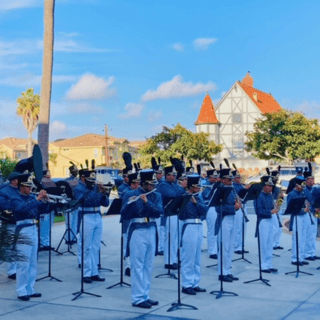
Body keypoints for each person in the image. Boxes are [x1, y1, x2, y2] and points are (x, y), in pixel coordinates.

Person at [121, 170, 163, 309]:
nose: (152, 187)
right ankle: (137, 298)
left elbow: (158, 212)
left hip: (151, 227)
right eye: (150, 184)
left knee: (148, 264)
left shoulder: (156, 195)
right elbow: (123, 214)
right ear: (144, 184)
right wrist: (129, 204)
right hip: (137, 228)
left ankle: (145, 295)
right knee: (137, 265)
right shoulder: (130, 194)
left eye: (153, 184)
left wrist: (146, 202)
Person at [9, 173, 51, 301]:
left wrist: (46, 200)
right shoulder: (15, 198)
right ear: (21, 186)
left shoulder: (32, 197)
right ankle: (21, 290)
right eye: (28, 187)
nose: (31, 189)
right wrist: (37, 199)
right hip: (23, 230)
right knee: (24, 263)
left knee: (33, 262)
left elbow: (44, 210)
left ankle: (30, 288)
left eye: (31, 186)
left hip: (33, 229)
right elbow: (22, 209)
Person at [74, 170, 109, 283]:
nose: (93, 183)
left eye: (94, 181)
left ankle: (94, 272)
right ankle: (86, 273)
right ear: (84, 178)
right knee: (87, 247)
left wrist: (104, 193)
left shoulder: (95, 188)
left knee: (96, 246)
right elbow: (86, 200)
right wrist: (98, 192)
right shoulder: (79, 188)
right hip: (86, 216)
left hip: (97, 215)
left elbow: (106, 203)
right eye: (90, 181)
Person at [180, 175, 207, 295]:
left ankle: (195, 283)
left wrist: (196, 203)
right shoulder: (184, 197)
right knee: (188, 257)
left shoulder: (198, 198)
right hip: (189, 225)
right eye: (196, 186)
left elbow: (204, 211)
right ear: (191, 187)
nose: (198, 189)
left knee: (197, 256)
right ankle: (186, 284)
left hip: (199, 225)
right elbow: (182, 213)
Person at [215, 168, 241, 282]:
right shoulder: (219, 189)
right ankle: (222, 272)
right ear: (222, 179)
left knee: (230, 247)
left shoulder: (232, 189)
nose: (230, 181)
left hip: (232, 218)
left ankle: (227, 270)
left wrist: (238, 204)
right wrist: (233, 207)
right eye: (228, 179)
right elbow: (218, 208)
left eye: (231, 179)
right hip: (224, 219)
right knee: (224, 247)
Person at [157, 166, 185, 270]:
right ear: (167, 175)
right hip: (168, 214)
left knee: (175, 239)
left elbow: (178, 192)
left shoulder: (173, 184)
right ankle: (168, 261)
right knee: (170, 238)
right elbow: (173, 194)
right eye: (173, 175)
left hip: (175, 213)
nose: (175, 177)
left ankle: (173, 259)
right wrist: (181, 187)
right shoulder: (163, 185)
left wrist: (180, 187)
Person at [255, 176, 278, 273]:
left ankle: (269, 263)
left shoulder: (270, 195)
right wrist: (270, 211)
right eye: (268, 186)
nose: (270, 188)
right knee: (264, 244)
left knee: (269, 244)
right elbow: (258, 211)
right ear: (264, 186)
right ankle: (263, 265)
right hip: (263, 221)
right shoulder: (258, 196)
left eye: (271, 186)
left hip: (270, 220)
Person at [0, 172, 21, 280]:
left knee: (19, 246)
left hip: (20, 221)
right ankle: (12, 271)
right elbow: (3, 205)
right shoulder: (4, 190)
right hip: (9, 221)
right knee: (11, 246)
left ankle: (18, 268)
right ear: (13, 180)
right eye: (18, 179)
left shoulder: (20, 189)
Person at [120, 172, 140, 277]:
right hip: (128, 221)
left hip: (135, 221)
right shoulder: (128, 193)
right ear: (132, 184)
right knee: (127, 245)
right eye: (137, 183)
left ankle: (133, 265)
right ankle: (128, 266)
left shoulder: (137, 192)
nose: (139, 185)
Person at [287, 178, 309, 266]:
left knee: (303, 237)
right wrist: (304, 210)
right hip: (297, 217)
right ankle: (295, 258)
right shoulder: (292, 194)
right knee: (297, 238)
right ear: (297, 185)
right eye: (301, 186)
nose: (302, 188)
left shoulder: (303, 192)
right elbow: (291, 209)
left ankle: (301, 257)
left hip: (303, 217)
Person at [202, 169, 219, 259]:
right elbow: (207, 195)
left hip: (217, 207)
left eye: (216, 177)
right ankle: (212, 251)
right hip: (209, 207)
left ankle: (216, 248)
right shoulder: (204, 184)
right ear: (209, 177)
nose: (215, 179)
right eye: (213, 177)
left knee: (217, 230)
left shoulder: (216, 184)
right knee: (212, 230)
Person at [232, 169, 250, 255]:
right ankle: (236, 247)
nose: (239, 179)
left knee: (243, 228)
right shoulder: (233, 186)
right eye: (237, 177)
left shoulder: (241, 185)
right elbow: (237, 195)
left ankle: (241, 246)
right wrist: (244, 189)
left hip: (244, 205)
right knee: (237, 227)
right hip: (237, 207)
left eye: (240, 177)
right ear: (233, 178)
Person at [303, 170, 319, 261]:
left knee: (313, 234)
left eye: (313, 178)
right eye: (311, 179)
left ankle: (312, 252)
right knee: (309, 234)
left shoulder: (314, 188)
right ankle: (307, 253)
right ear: (306, 180)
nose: (313, 180)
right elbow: (310, 200)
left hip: (315, 213)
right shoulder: (305, 189)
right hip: (308, 213)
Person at [39, 170, 56, 250]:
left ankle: (47, 243)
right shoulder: (41, 183)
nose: (49, 177)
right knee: (44, 227)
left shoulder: (51, 183)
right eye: (47, 175)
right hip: (44, 209)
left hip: (50, 208)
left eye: (49, 175)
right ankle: (43, 244)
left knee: (49, 227)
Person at [65, 163, 79, 244]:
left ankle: (73, 237)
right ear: (71, 172)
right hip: (69, 202)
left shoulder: (77, 180)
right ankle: (69, 238)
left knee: (75, 221)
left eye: (76, 171)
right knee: (69, 222)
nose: (76, 173)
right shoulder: (67, 180)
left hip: (75, 202)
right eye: (74, 171)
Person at [270, 169, 284, 250]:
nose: (276, 180)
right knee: (274, 227)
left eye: (276, 179)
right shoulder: (270, 187)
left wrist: (280, 199)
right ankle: (272, 243)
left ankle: (277, 243)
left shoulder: (278, 188)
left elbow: (281, 198)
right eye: (274, 179)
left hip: (278, 208)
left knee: (280, 227)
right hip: (273, 208)